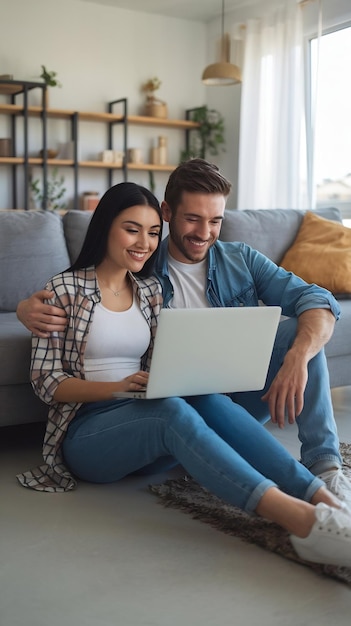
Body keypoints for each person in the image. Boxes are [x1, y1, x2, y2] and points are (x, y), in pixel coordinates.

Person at [16, 181, 351, 568]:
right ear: (106, 225)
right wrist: (116, 388)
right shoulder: (63, 290)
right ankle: (304, 523)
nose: (144, 242)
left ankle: (325, 499)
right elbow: (45, 382)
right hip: (87, 434)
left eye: (151, 232)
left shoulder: (149, 291)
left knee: (200, 397)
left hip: (147, 420)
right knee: (171, 411)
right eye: (131, 229)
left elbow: (170, 359)